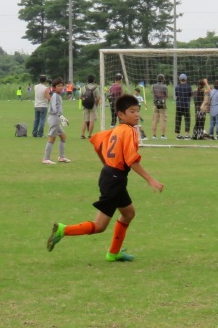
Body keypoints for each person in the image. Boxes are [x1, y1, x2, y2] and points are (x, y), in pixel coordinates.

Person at [46, 93, 164, 262]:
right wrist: (150, 179)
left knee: (129, 213)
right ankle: (63, 230)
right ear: (121, 115)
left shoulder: (116, 129)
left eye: (138, 111)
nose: (137, 115)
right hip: (114, 179)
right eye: (132, 111)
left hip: (111, 176)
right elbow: (131, 160)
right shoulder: (129, 131)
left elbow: (97, 142)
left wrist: (106, 164)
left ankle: (114, 252)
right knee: (100, 226)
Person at [41, 78, 70, 164]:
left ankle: (61, 157)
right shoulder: (55, 96)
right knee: (52, 138)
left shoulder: (58, 96)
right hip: (54, 118)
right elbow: (54, 108)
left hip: (57, 118)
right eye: (58, 86)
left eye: (62, 86)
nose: (61, 87)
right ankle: (46, 158)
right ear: (54, 87)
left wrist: (61, 117)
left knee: (63, 137)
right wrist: (61, 117)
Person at [150, 74, 169, 140]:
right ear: (163, 79)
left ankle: (154, 136)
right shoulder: (164, 87)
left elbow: (153, 93)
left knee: (155, 120)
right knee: (162, 120)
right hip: (162, 104)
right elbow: (167, 96)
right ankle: (163, 136)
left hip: (155, 104)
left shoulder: (153, 86)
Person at [174, 73, 192, 139]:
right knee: (187, 119)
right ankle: (187, 134)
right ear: (186, 79)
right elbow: (190, 95)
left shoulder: (177, 87)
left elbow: (176, 94)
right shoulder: (188, 87)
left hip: (179, 105)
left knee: (178, 120)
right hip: (186, 105)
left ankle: (178, 135)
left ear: (179, 79)